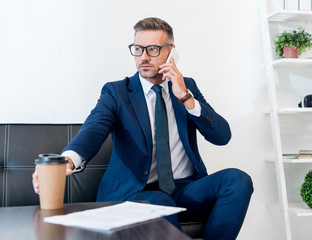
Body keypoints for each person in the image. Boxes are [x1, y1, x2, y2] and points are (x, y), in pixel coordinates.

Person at [32, 17, 253, 240]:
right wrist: (67, 160)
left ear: (171, 53)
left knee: (237, 180)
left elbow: (222, 136)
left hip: (185, 188)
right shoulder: (117, 92)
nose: (144, 57)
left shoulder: (187, 87)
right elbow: (94, 128)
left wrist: (186, 97)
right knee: (160, 201)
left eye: (153, 49)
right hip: (135, 193)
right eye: (138, 49)